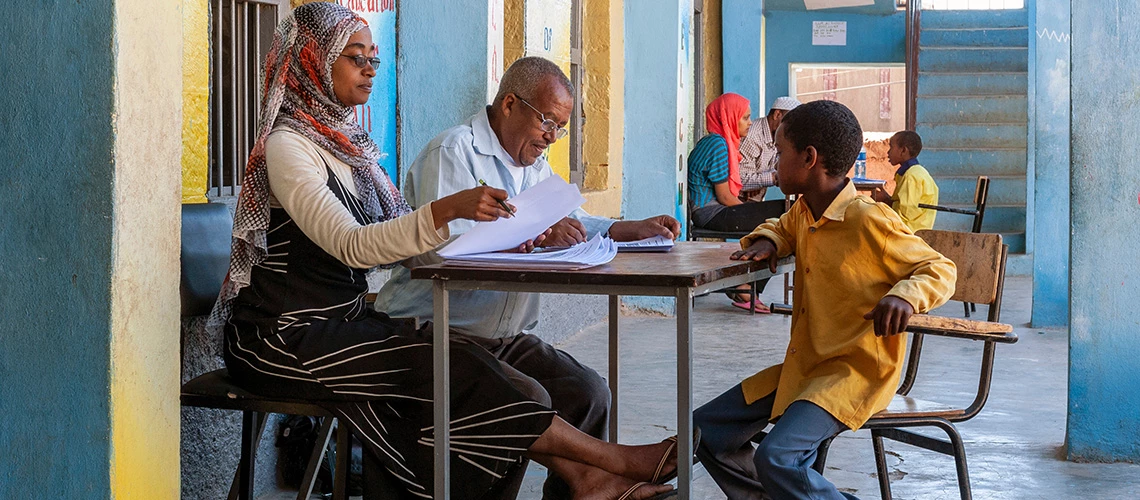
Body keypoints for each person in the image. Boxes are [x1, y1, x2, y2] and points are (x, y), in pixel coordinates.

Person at [209, 4, 679, 499]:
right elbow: (351, 246)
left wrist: (479, 229)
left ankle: (591, 480)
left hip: (344, 325)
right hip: (281, 337)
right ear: (313, 61)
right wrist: (447, 212)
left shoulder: (349, 146)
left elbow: (396, 246)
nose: (370, 68)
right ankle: (614, 462)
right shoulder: (289, 145)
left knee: (511, 377)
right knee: (465, 370)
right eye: (354, 57)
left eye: (374, 57)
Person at [375, 55, 682, 500]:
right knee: (528, 397)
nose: (551, 138)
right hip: (432, 328)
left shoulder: (531, 163)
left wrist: (621, 228)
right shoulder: (453, 152)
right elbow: (440, 250)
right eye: (547, 122)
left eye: (560, 128)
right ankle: (604, 470)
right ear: (509, 104)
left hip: (500, 336)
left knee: (588, 392)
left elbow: (569, 218)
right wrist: (535, 236)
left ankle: (585, 488)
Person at [693, 100, 957, 500]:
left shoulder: (869, 219)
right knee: (702, 431)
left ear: (809, 158)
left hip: (852, 374)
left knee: (777, 458)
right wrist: (769, 239)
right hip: (806, 365)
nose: (775, 164)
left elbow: (940, 269)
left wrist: (906, 296)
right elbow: (782, 227)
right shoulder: (805, 210)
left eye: (780, 154)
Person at [687, 93, 779, 312]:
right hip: (709, 213)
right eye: (745, 118)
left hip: (714, 210)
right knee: (782, 219)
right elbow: (725, 197)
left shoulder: (719, 142)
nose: (749, 123)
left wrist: (752, 212)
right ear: (730, 117)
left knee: (781, 221)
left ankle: (743, 284)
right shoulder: (717, 145)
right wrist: (751, 211)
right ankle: (744, 286)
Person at [870, 130, 939, 232]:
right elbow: (904, 205)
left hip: (909, 234)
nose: (888, 152)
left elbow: (904, 216)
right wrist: (887, 199)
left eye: (891, 147)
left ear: (903, 151)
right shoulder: (914, 172)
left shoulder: (911, 176)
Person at [738, 96, 801, 202]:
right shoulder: (753, 136)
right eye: (790, 122)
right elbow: (741, 180)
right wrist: (775, 177)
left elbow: (777, 166)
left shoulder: (778, 136)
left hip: (754, 201)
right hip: (739, 202)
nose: (793, 128)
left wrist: (758, 181)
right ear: (777, 114)